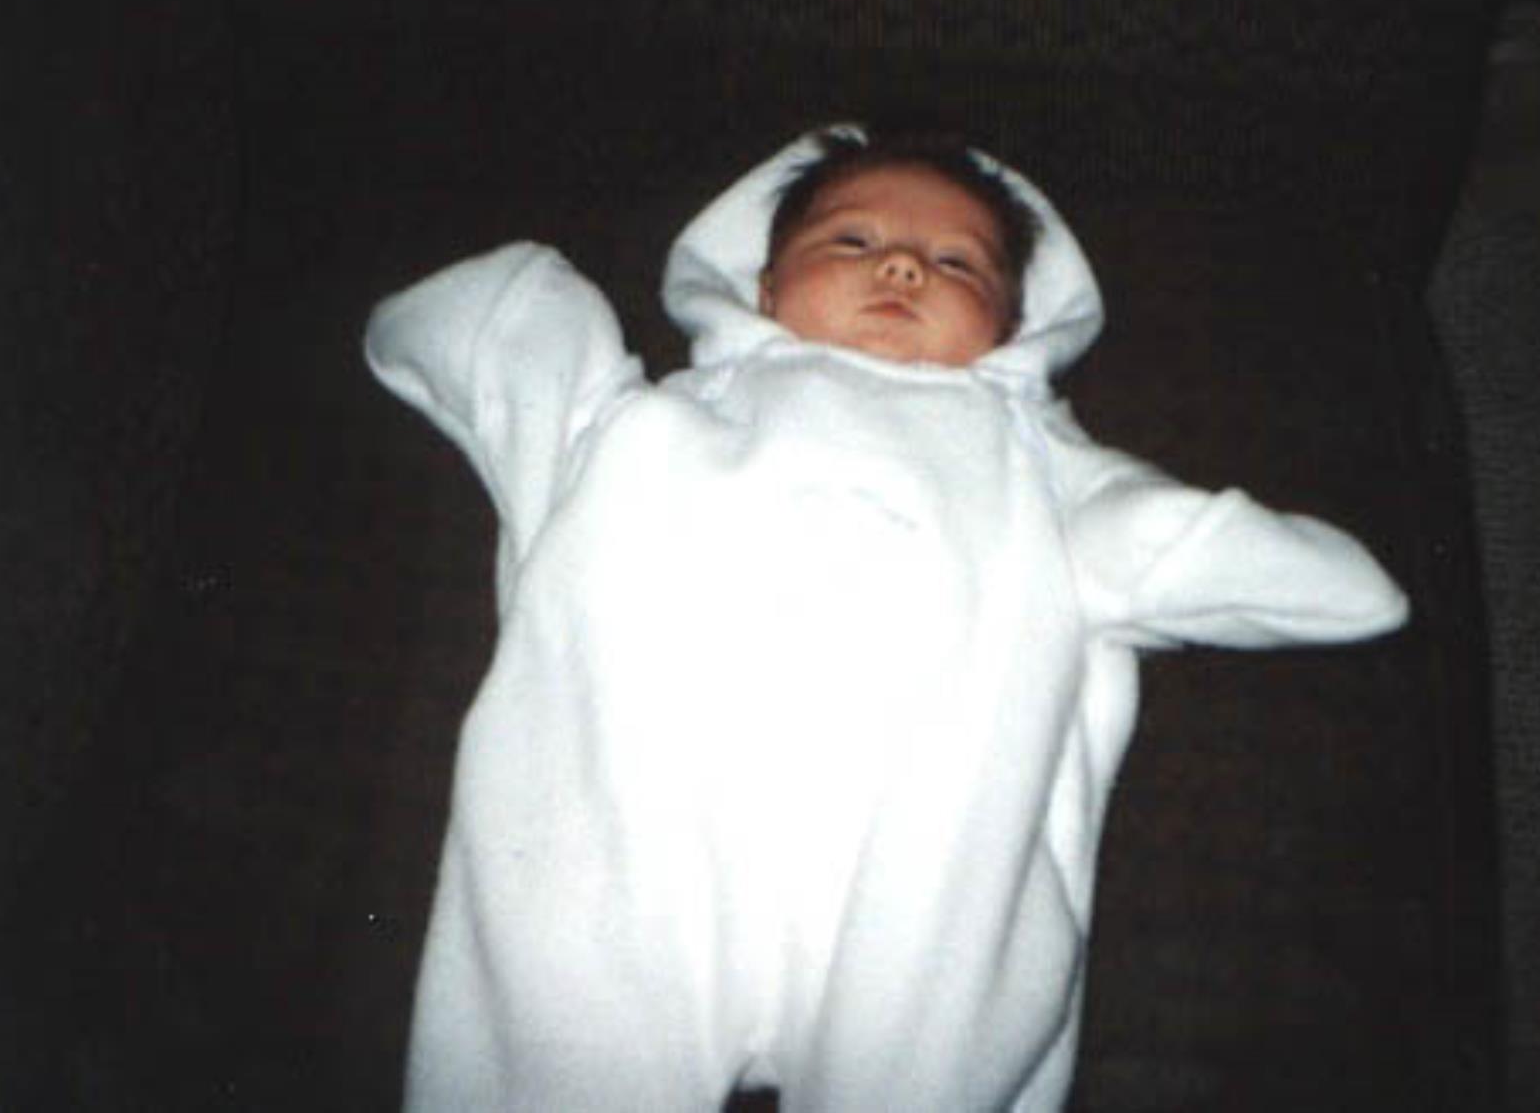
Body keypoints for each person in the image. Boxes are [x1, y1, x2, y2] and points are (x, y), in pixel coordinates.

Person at [365, 124, 1409, 1111]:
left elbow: (1204, 553)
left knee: (926, 1010)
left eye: (956, 265)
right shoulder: (648, 424)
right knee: (567, 991)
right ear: (763, 286)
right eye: (852, 241)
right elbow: (503, 344)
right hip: (647, 821)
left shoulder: (1037, 466)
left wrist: (1235, 548)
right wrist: (515, 315)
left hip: (905, 867)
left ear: (1010, 329)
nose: (903, 267)